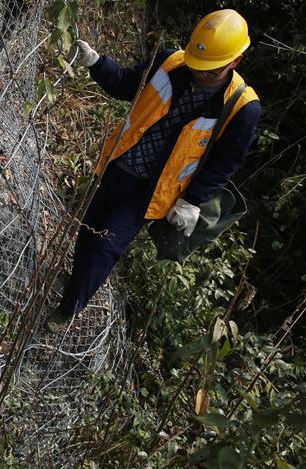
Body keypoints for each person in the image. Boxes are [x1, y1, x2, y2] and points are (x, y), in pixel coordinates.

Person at [47, 9, 261, 332]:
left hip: (154, 191)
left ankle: (68, 309)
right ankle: (77, 282)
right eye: (197, 66)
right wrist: (96, 63)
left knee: (106, 244)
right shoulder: (171, 62)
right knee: (88, 229)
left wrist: (193, 200)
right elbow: (127, 85)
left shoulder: (242, 107)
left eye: (208, 71)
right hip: (120, 165)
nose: (198, 74)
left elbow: (225, 163)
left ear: (234, 63)